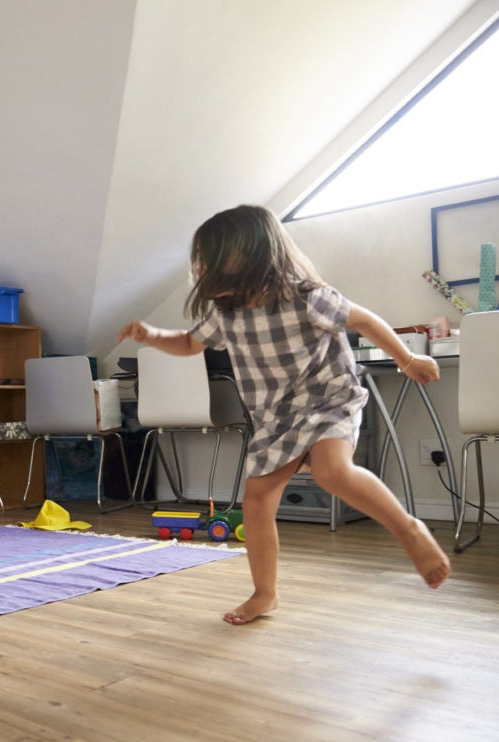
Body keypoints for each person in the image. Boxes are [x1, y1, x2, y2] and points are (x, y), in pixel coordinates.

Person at [117, 204, 451, 625]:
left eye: (211, 256)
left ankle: (409, 529)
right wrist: (152, 335)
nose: (201, 266)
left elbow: (365, 321)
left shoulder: (307, 297)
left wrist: (407, 359)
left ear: (251, 254)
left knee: (332, 472)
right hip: (275, 417)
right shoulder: (225, 313)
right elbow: (188, 344)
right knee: (256, 501)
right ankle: (265, 593)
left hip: (327, 399)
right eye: (200, 258)